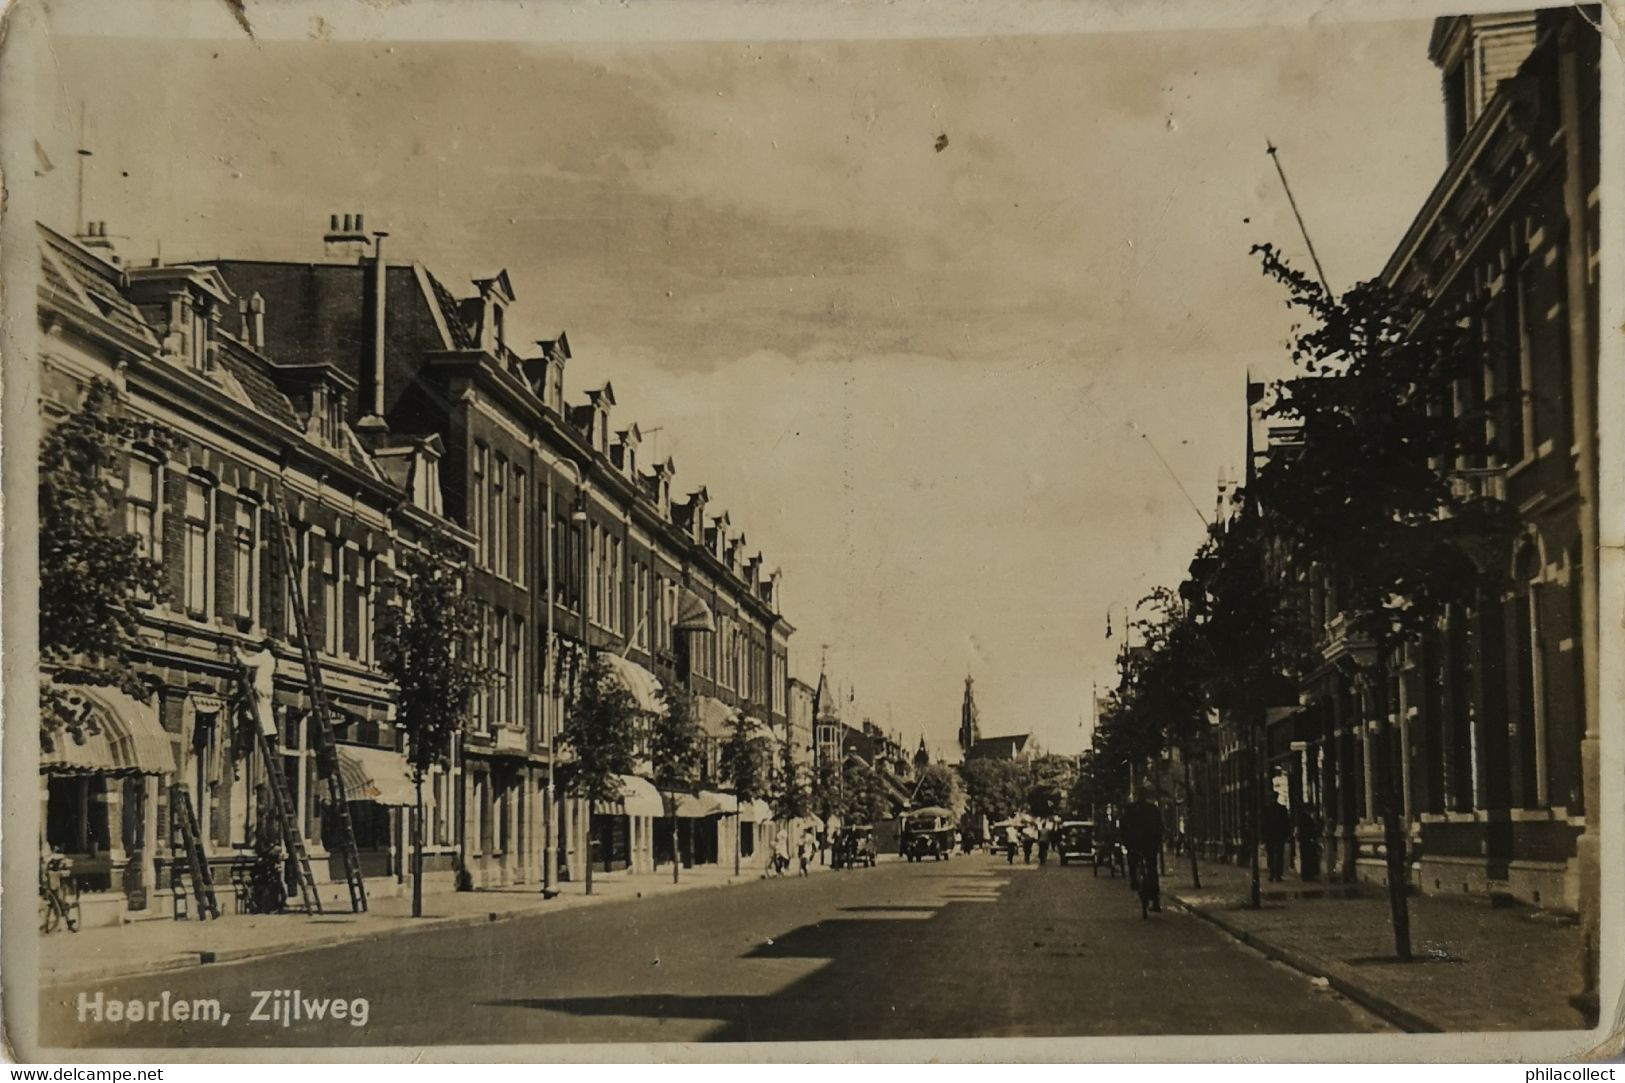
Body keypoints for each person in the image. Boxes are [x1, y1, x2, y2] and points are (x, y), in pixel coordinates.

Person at [1120, 799, 1163, 913]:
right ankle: (1155, 900)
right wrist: (1158, 842)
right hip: (1150, 844)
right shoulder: (1152, 808)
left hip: (1135, 844)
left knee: (1133, 861)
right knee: (1152, 869)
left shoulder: (1130, 809)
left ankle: (1134, 880)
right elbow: (1160, 826)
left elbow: (1123, 826)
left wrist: (1125, 841)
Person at [1262, 795, 1292, 883]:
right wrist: (1287, 835)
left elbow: (1264, 824)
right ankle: (1278, 874)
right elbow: (1286, 823)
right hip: (1279, 836)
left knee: (1271, 855)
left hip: (1270, 836)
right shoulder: (1282, 809)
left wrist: (1264, 836)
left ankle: (1272, 873)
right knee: (1279, 855)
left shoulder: (1266, 810)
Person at [1297, 806, 1322, 882]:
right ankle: (1309, 875)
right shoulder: (1307, 819)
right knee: (1309, 858)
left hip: (1304, 841)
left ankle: (1306, 875)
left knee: (1305, 859)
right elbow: (1309, 830)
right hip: (1308, 841)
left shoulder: (1302, 818)